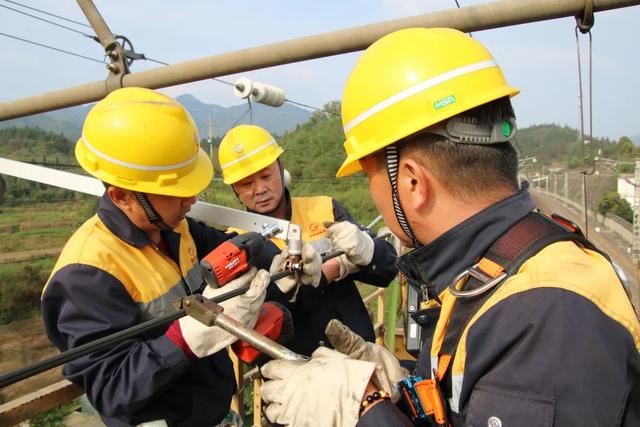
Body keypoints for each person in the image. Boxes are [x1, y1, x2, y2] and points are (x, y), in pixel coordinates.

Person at [259, 28, 640, 426]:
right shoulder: (495, 271)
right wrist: (404, 394)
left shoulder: (547, 318)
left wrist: (366, 410)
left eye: (369, 174)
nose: (372, 192)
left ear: (411, 182)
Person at [41, 87, 272, 427]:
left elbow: (236, 250)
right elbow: (113, 387)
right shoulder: (86, 273)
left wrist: (277, 260)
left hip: (214, 413)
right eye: (175, 192)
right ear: (122, 196)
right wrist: (188, 338)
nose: (191, 198)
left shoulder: (177, 228)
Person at [217, 124, 398, 356]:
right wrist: (330, 270)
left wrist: (368, 249)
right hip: (296, 372)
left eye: (265, 176)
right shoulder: (236, 243)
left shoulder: (324, 209)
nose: (260, 189)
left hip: (358, 357)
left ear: (281, 168)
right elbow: (267, 312)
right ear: (235, 189)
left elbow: (386, 270)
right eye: (247, 184)